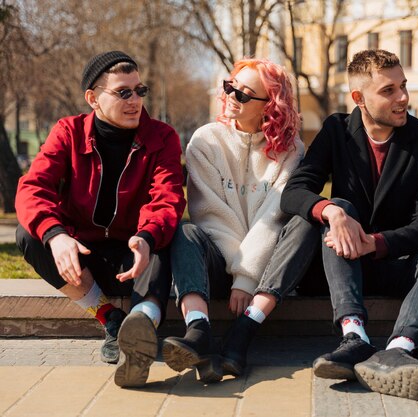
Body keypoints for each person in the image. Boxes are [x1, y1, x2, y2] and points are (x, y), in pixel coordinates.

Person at [250, 49, 418, 402]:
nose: (403, 97)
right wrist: (331, 212)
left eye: (403, 86)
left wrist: (375, 242)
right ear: (359, 98)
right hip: (339, 263)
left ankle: (399, 349)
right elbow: (295, 192)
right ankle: (354, 336)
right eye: (389, 91)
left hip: (394, 261)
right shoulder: (337, 130)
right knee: (339, 206)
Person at [15, 51, 186, 388]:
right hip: (82, 259)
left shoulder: (162, 137)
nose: (135, 100)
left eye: (140, 90)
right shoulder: (69, 131)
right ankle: (110, 319)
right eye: (123, 92)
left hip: (134, 256)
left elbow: (167, 197)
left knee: (164, 238)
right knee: (29, 235)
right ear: (93, 98)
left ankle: (138, 334)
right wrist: (56, 235)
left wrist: (147, 236)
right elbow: (33, 187)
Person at [160, 58, 304, 383]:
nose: (231, 97)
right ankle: (198, 331)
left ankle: (237, 339)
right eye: (230, 87)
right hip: (216, 263)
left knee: (301, 225)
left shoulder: (291, 150)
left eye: (244, 94)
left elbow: (275, 216)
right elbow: (210, 214)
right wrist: (238, 273)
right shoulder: (206, 140)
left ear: (271, 105)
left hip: (266, 272)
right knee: (186, 230)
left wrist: (248, 277)